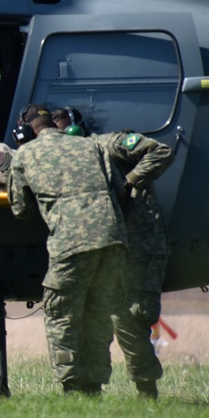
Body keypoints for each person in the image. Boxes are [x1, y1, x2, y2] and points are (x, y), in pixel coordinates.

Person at [53, 109, 175, 400]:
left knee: (130, 318)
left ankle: (147, 394)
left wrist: (129, 182)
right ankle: (92, 391)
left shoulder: (109, 145)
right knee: (95, 318)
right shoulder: (69, 163)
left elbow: (161, 151)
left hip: (140, 246)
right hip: (109, 248)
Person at [7, 104, 129, 395]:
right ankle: (95, 386)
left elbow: (21, 210)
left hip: (71, 242)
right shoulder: (88, 145)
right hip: (113, 238)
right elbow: (118, 186)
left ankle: (72, 386)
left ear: (24, 131)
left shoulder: (25, 154)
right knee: (98, 313)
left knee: (61, 312)